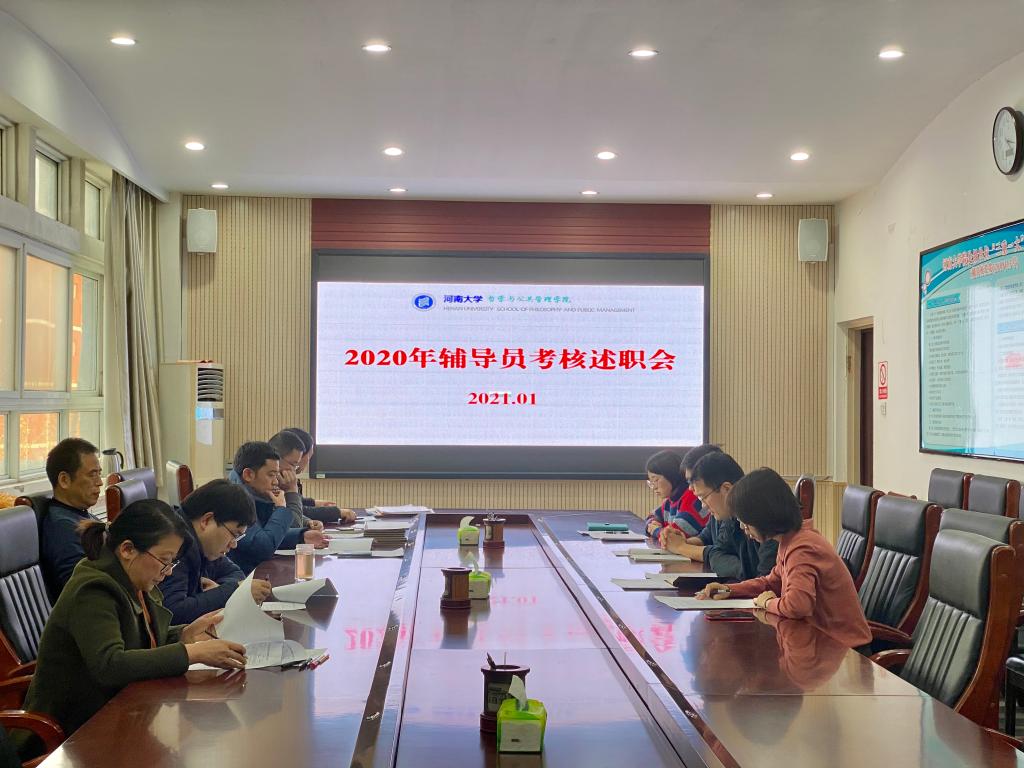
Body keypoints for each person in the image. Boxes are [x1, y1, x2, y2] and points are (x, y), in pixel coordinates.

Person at [21, 500, 247, 738]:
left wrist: (184, 634)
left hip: (120, 711)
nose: (169, 571)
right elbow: (110, 665)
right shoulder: (94, 588)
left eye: (172, 562)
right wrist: (193, 653)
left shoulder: (132, 577)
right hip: (71, 730)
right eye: (165, 560)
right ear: (128, 549)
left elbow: (142, 641)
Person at [698, 468, 872, 650]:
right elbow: (770, 582)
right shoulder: (790, 541)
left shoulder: (802, 547)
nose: (742, 527)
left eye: (745, 521)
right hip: (821, 643)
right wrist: (730, 590)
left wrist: (767, 603)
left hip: (845, 651)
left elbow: (797, 605)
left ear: (763, 516)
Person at [160, 479, 274, 623]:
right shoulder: (176, 545)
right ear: (207, 521)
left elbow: (235, 573)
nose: (234, 545)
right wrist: (233, 592)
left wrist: (219, 591)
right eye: (234, 534)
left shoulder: (205, 545)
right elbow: (173, 613)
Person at [664, 452, 778, 580]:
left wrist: (681, 547)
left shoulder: (766, 516)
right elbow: (717, 554)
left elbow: (763, 578)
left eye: (703, 497)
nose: (703, 506)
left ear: (726, 489)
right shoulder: (731, 516)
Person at [227, 441, 327, 574]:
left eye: (276, 475)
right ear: (248, 475)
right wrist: (281, 508)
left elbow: (264, 533)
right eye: (271, 475)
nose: (275, 481)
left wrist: (301, 536)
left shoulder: (254, 494)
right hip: (241, 576)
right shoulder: (235, 501)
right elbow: (262, 546)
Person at [39, 438, 104, 600]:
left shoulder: (82, 514)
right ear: (64, 480)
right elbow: (82, 590)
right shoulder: (63, 527)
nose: (100, 482)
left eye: (99, 474)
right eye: (92, 475)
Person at [283, 427, 357, 524]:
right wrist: (337, 512)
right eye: (309, 456)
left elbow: (292, 501)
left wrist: (313, 503)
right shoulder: (278, 476)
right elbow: (297, 513)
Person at [658, 444, 721, 552]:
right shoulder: (715, 506)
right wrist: (682, 542)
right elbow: (705, 537)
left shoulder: (732, 511)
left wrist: (681, 547)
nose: (690, 488)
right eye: (688, 481)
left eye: (693, 481)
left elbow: (723, 555)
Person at [643, 450, 706, 540]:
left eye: (656, 480)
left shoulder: (691, 497)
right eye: (651, 482)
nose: (654, 487)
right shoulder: (671, 500)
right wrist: (652, 523)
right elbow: (653, 515)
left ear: (671, 475)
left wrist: (655, 530)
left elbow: (674, 537)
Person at [266, 430, 322, 530]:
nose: (294, 471)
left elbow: (279, 514)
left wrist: (307, 521)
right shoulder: (264, 483)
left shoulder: (275, 482)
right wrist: (291, 490)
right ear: (276, 458)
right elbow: (294, 527)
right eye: (292, 464)